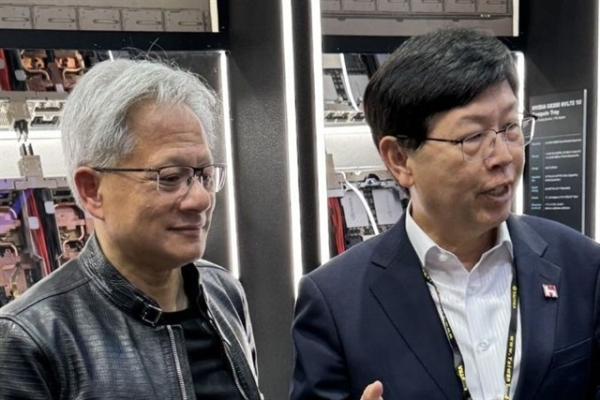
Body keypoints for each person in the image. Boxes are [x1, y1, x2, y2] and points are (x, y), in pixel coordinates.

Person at [291, 28, 600, 399]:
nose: (503, 156)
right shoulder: (334, 302)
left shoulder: (582, 267)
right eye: (473, 137)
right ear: (399, 159)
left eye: (510, 128)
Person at [0, 59, 262, 400]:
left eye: (205, 175)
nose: (200, 199)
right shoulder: (30, 337)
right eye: (171, 177)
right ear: (92, 190)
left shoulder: (222, 292)